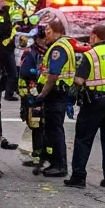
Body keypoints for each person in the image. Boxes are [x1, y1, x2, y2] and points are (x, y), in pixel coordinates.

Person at [65, 23, 105, 190]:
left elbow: (79, 80)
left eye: (90, 36)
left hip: (94, 102)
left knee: (83, 139)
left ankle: (78, 177)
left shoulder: (90, 55)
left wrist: (75, 88)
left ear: (94, 36)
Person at [34, 15, 77, 177]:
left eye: (49, 31)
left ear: (57, 31)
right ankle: (55, 162)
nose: (46, 34)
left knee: (55, 130)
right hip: (59, 93)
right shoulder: (64, 45)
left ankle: (60, 165)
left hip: (55, 94)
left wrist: (42, 95)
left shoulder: (58, 49)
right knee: (53, 129)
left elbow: (53, 75)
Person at [18, 27, 48, 168]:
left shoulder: (51, 51)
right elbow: (25, 72)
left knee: (46, 126)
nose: (44, 41)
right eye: (41, 39)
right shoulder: (30, 53)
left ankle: (46, 156)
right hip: (33, 94)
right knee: (35, 125)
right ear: (36, 39)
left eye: (45, 38)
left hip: (47, 93)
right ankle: (37, 157)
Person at [0, 0, 18, 102]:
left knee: (12, 72)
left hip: (8, 48)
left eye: (4, 1)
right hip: (0, 49)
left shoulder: (7, 10)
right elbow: (0, 30)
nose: (3, 3)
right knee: (2, 73)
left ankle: (8, 94)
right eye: (1, 1)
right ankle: (1, 91)